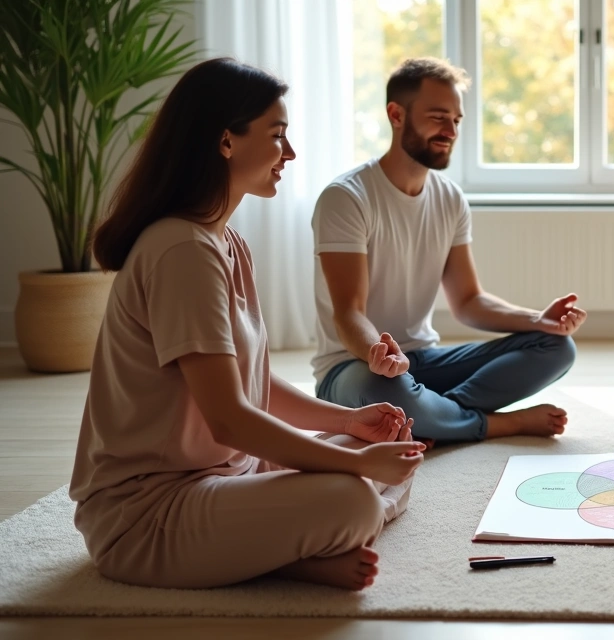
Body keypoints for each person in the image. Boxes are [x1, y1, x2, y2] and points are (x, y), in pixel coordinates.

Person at [74, 58, 425, 591]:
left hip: (229, 476)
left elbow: (251, 385)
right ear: (226, 142)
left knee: (383, 461)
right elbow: (230, 421)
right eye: (277, 136)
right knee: (354, 495)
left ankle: (278, 550)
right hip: (147, 515)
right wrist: (355, 467)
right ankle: (287, 553)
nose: (290, 153)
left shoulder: (226, 243)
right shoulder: (180, 251)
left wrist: (347, 425)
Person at [312, 57, 582, 444]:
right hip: (355, 367)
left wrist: (539, 320)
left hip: (424, 361)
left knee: (558, 348)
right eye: (439, 117)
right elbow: (348, 311)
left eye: (456, 120)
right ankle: (496, 423)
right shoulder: (346, 197)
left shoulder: (450, 198)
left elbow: (469, 301)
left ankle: (437, 414)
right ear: (396, 114)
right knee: (387, 395)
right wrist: (379, 353)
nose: (450, 130)